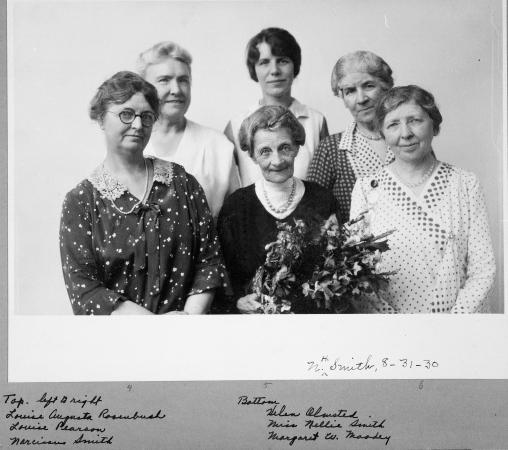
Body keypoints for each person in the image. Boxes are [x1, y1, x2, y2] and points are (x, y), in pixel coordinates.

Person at [60, 71, 222, 315]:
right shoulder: (81, 201)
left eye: (146, 117)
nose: (137, 125)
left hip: (186, 334)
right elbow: (85, 289)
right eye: (126, 114)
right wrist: (155, 328)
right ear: (102, 119)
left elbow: (209, 262)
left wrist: (188, 321)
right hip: (119, 342)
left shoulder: (182, 183)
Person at [350, 85, 496, 313]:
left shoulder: (466, 184)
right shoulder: (365, 189)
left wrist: (451, 324)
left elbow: (483, 269)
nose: (405, 133)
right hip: (392, 332)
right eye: (393, 124)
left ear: (434, 126)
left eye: (415, 120)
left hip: (457, 327)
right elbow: (358, 273)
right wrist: (397, 327)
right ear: (383, 133)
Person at [218, 106, 337, 313]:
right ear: (252, 156)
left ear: (297, 147)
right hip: (256, 324)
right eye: (265, 151)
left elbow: (336, 268)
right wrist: (237, 301)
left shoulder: (322, 199)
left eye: (284, 147)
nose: (277, 160)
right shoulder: (236, 206)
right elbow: (223, 275)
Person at [137, 41, 239, 217]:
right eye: (164, 80)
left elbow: (237, 218)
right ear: (145, 89)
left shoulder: (218, 146)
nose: (176, 89)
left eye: (183, 80)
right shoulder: (131, 142)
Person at [225, 27, 328, 187]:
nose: (274, 71)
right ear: (254, 69)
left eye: (283, 61)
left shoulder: (316, 121)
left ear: (295, 66)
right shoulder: (237, 124)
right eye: (264, 62)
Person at [307, 51, 395, 223]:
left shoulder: (407, 139)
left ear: (385, 87)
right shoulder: (330, 149)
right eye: (350, 91)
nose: (361, 99)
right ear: (342, 97)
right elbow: (311, 212)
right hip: (357, 249)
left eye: (369, 86)